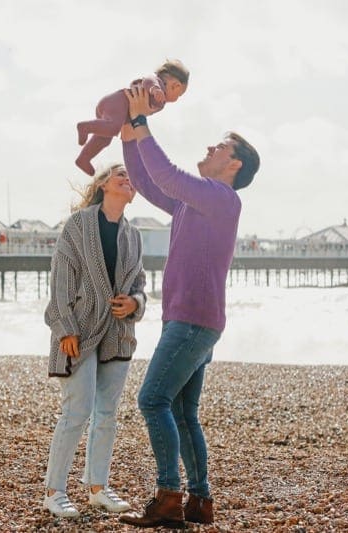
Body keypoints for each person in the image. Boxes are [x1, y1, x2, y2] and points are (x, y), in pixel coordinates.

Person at [117, 86, 260, 528]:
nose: (209, 148)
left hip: (192, 322)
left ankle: (168, 498)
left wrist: (142, 123)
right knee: (182, 412)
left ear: (233, 164)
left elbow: (171, 174)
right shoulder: (193, 202)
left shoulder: (220, 198)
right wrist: (128, 133)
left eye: (219, 146)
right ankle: (200, 502)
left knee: (151, 399)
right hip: (196, 321)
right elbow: (149, 180)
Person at [42, 163, 147, 519]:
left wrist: (135, 304)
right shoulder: (78, 225)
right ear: (103, 183)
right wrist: (65, 328)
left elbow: (139, 287)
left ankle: (98, 486)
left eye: (130, 177)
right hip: (80, 332)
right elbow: (61, 281)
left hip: (118, 335)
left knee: (107, 414)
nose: (126, 177)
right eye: (119, 173)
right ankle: (55, 491)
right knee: (77, 411)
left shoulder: (134, 236)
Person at [75, 59, 189, 176]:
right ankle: (85, 127)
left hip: (115, 113)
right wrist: (155, 89)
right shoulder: (157, 82)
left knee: (104, 139)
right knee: (113, 128)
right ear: (176, 86)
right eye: (179, 95)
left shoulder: (160, 100)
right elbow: (148, 81)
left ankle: (84, 159)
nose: (177, 99)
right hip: (117, 102)